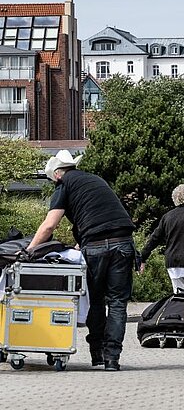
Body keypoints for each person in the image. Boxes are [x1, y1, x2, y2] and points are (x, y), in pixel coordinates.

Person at [27, 149, 136, 372]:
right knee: (117, 303)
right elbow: (101, 213)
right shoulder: (95, 180)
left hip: (96, 247)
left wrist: (29, 250)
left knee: (96, 301)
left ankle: (97, 354)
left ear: (57, 173)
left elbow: (49, 225)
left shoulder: (63, 185)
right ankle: (112, 360)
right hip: (123, 242)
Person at [140, 184, 184, 292]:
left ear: (174, 199)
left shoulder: (167, 217)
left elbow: (154, 238)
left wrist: (142, 257)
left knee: (178, 297)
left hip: (172, 263)